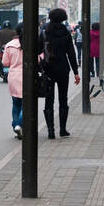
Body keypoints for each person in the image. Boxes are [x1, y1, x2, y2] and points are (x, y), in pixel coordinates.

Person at [39, 8, 81, 139]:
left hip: (48, 69)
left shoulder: (45, 32)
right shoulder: (66, 32)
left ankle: (51, 131)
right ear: (63, 18)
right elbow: (71, 53)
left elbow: (38, 49)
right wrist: (75, 72)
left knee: (49, 100)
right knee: (63, 99)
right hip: (63, 69)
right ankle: (63, 129)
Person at [1, 24, 24, 138]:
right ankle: (19, 124)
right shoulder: (32, 43)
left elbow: (5, 63)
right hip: (27, 77)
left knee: (16, 104)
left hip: (14, 77)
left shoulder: (9, 46)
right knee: (27, 104)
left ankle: (16, 125)